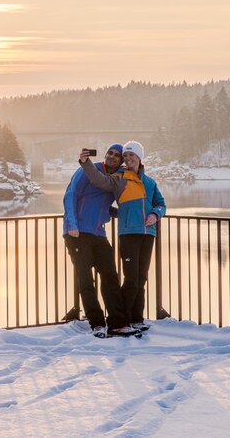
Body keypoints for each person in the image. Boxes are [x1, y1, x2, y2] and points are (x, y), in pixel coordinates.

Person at [79, 141, 166, 332]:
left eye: (131, 155)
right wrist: (85, 163)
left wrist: (155, 214)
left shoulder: (150, 182)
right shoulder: (119, 178)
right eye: (125, 156)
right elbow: (98, 180)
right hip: (128, 234)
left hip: (148, 233)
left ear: (139, 157)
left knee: (141, 278)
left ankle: (137, 318)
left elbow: (161, 203)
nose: (127, 158)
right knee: (131, 279)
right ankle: (122, 320)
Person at [63, 143, 137, 337]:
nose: (112, 156)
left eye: (117, 155)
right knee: (86, 278)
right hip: (77, 232)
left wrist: (122, 214)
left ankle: (117, 323)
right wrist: (72, 225)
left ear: (121, 160)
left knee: (110, 276)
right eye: (110, 153)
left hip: (98, 234)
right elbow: (70, 195)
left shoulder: (115, 178)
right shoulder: (90, 169)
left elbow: (101, 205)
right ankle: (96, 323)